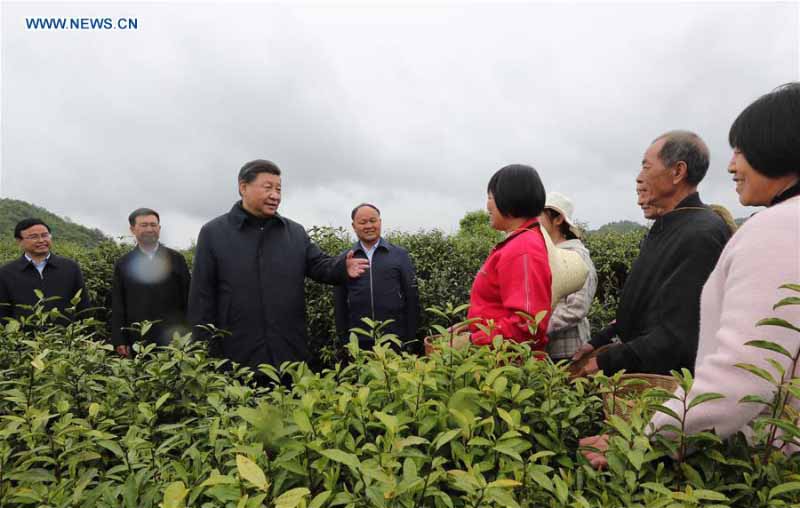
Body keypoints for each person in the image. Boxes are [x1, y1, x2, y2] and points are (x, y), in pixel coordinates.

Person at [582, 82, 800, 467]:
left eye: (742, 151)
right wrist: (603, 339)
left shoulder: (770, 229)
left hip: (757, 448)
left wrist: (643, 439)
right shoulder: (672, 227)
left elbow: (739, 373)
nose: (732, 166)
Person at [572, 131, 732, 375]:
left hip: (666, 386)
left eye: (646, 167)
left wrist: (606, 362)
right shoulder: (667, 225)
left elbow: (678, 333)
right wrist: (600, 339)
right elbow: (648, 307)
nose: (638, 178)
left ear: (678, 171)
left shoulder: (701, 234)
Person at [188, 159, 369, 372]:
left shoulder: (293, 233)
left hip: (288, 353)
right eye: (268, 188)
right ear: (243, 187)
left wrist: (341, 267)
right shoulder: (214, 233)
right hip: (236, 357)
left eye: (279, 189)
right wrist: (203, 352)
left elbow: (319, 265)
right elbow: (201, 297)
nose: (275, 195)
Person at [467, 164, 552, 347]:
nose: (487, 206)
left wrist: (471, 341)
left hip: (507, 366)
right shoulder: (517, 242)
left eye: (490, 197)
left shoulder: (524, 248)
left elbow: (528, 325)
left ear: (510, 199)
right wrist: (466, 328)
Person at [334, 203, 420, 349]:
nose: (368, 226)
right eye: (362, 222)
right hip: (359, 341)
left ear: (380, 222)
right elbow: (339, 303)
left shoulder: (399, 255)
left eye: (373, 221)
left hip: (394, 338)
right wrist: (345, 341)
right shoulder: (346, 258)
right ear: (354, 226)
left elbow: (412, 297)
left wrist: (410, 339)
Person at [111, 208, 191, 357]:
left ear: (159, 228)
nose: (149, 229)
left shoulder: (176, 259)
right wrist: (119, 339)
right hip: (138, 339)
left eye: (153, 225)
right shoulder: (123, 264)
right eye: (144, 225)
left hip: (173, 339)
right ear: (132, 229)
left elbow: (188, 298)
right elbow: (118, 303)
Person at [539, 192, 598, 361]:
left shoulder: (575, 255)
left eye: (539, 214)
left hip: (567, 353)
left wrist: (535, 328)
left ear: (558, 219)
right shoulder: (546, 252)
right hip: (545, 351)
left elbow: (575, 309)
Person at [0, 218, 90, 322]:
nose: (41, 240)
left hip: (66, 336)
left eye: (45, 235)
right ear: (20, 241)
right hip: (22, 337)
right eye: (34, 237)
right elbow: (3, 311)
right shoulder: (6, 272)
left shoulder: (70, 267)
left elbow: (84, 306)